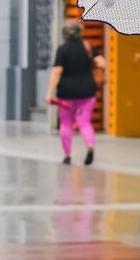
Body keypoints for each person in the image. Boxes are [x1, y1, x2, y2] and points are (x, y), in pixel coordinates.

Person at [45, 22, 105, 166]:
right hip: (87, 92)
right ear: (80, 33)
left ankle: (67, 155)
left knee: (66, 124)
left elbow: (57, 72)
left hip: (66, 94)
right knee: (85, 123)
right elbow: (102, 63)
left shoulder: (62, 50)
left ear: (64, 34)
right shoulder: (88, 47)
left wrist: (49, 92)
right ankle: (90, 146)